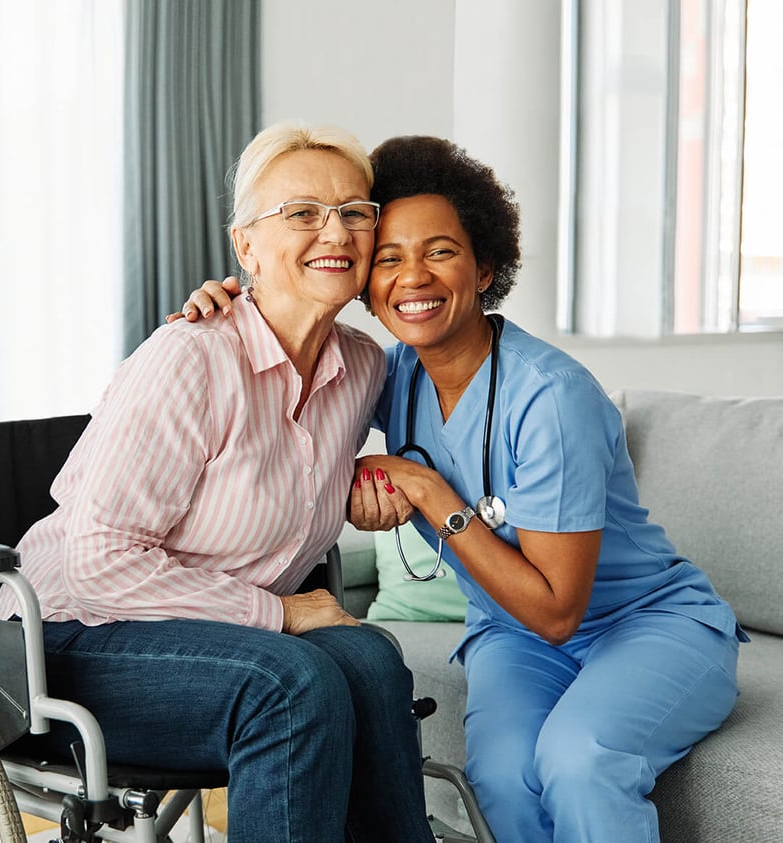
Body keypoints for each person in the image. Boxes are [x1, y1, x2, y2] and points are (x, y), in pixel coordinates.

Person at [177, 134, 745, 843]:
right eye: (388, 257)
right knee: (503, 776)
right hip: (512, 634)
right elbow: (284, 383)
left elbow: (558, 611)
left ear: (485, 268)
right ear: (367, 285)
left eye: (440, 251)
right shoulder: (382, 377)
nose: (413, 276)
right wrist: (229, 304)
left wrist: (425, 488)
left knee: (579, 759)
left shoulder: (551, 397)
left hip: (649, 627)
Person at [0, 122, 436, 843]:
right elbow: (99, 564)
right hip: (65, 641)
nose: (338, 230)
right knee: (292, 682)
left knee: (372, 659)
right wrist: (280, 614)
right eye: (303, 213)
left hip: (217, 639)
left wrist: (359, 475)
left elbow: (301, 457)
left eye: (356, 211)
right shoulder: (191, 356)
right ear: (246, 247)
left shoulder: (362, 369)